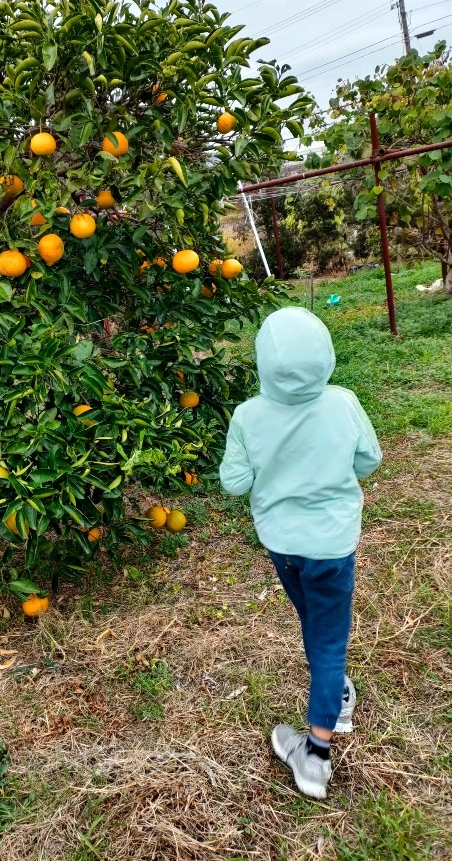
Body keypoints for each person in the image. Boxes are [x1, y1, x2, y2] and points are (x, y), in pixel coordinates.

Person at [219, 307, 382, 799]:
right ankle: (317, 751)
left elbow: (234, 482)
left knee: (316, 623)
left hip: (282, 545)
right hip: (331, 543)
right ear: (327, 356)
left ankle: (325, 719)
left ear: (262, 363)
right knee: (328, 637)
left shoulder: (247, 415)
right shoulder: (344, 402)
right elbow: (369, 460)